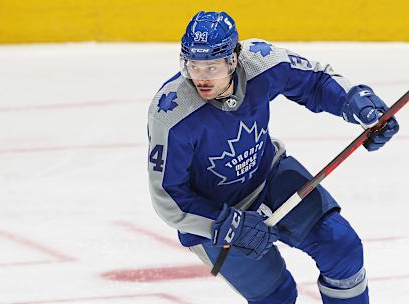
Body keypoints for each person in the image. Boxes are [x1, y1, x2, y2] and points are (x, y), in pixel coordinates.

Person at [147, 11, 399, 304]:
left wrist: (355, 102)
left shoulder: (261, 61)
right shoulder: (171, 113)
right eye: (193, 67)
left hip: (270, 179)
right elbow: (168, 197)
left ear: (233, 60)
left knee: (341, 247)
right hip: (215, 213)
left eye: (212, 67)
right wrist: (225, 223)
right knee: (275, 298)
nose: (201, 79)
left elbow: (314, 82)